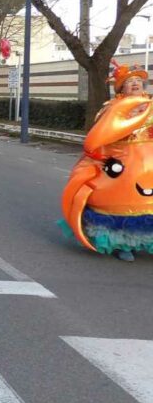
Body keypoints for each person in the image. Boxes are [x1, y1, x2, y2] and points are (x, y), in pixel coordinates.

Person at [59, 60, 153, 262]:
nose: (135, 84)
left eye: (138, 80)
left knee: (147, 201)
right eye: (130, 82)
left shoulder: (151, 106)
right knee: (121, 202)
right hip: (123, 163)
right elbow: (100, 137)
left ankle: (146, 242)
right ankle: (122, 244)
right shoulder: (111, 108)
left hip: (148, 163)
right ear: (121, 88)